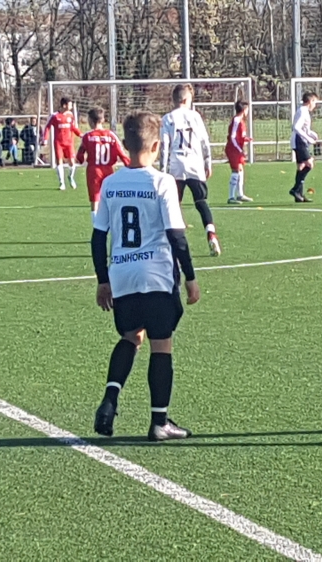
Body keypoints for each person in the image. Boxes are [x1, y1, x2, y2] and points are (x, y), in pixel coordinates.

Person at [90, 110, 201, 442]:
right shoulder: (162, 182)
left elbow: (98, 237)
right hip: (156, 275)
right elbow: (176, 235)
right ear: (156, 146)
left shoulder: (111, 183)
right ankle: (159, 422)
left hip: (122, 275)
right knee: (160, 345)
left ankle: (110, 400)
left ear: (125, 145)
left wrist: (102, 279)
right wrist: (191, 277)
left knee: (130, 337)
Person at [161, 83, 221, 257]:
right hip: (195, 165)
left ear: (174, 99)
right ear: (187, 99)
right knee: (201, 201)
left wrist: (163, 170)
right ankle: (211, 234)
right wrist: (208, 162)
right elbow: (204, 141)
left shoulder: (168, 118)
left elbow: (165, 146)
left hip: (176, 166)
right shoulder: (195, 116)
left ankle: (172, 243)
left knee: (174, 204)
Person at [76, 107, 131, 220]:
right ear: (103, 120)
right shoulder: (111, 135)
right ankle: (111, 223)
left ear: (90, 121)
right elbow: (122, 154)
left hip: (94, 171)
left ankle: (96, 226)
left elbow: (80, 156)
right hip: (109, 170)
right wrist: (130, 166)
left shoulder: (88, 136)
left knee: (95, 200)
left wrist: (80, 160)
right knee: (110, 197)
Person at [44, 98, 83, 189]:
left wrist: (80, 134)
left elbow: (72, 127)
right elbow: (47, 127)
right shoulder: (55, 116)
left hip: (69, 143)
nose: (71, 106)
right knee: (59, 161)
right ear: (64, 105)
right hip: (58, 143)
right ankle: (62, 182)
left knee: (72, 162)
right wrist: (45, 139)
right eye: (70, 105)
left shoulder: (70, 115)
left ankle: (71, 177)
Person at [290, 92, 320, 203]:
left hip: (299, 141)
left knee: (301, 166)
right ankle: (295, 189)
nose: (315, 105)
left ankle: (299, 195)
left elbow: (304, 128)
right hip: (299, 141)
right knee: (309, 164)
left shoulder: (304, 111)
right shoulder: (303, 111)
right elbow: (296, 127)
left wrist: (312, 134)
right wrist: (308, 138)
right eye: (315, 102)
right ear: (310, 101)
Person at [225, 100, 253, 204]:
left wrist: (245, 139)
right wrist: (239, 149)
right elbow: (232, 137)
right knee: (236, 171)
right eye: (247, 109)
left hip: (236, 148)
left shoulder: (240, 121)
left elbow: (238, 136)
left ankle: (240, 194)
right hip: (233, 149)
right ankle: (231, 197)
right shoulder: (237, 120)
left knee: (240, 170)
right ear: (244, 110)